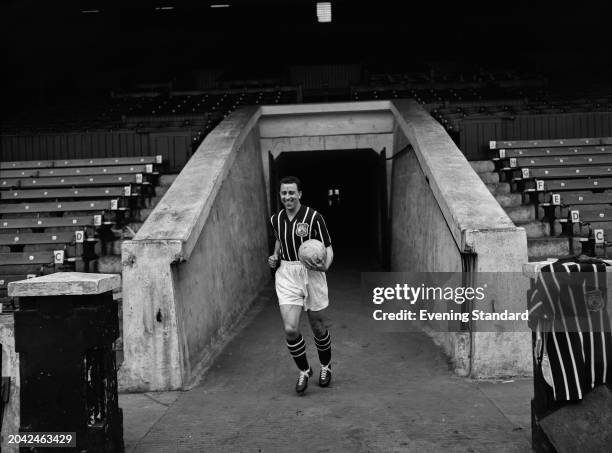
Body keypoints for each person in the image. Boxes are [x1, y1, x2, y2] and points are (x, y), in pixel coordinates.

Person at [268, 176, 334, 395]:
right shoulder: (275, 219)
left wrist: (325, 266)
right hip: (287, 273)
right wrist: (275, 255)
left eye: (291, 193)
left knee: (318, 327)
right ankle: (304, 370)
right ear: (280, 195)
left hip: (312, 273)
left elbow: (328, 247)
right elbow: (279, 238)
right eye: (284, 193)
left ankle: (326, 366)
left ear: (299, 194)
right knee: (290, 329)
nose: (287, 197)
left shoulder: (314, 217)